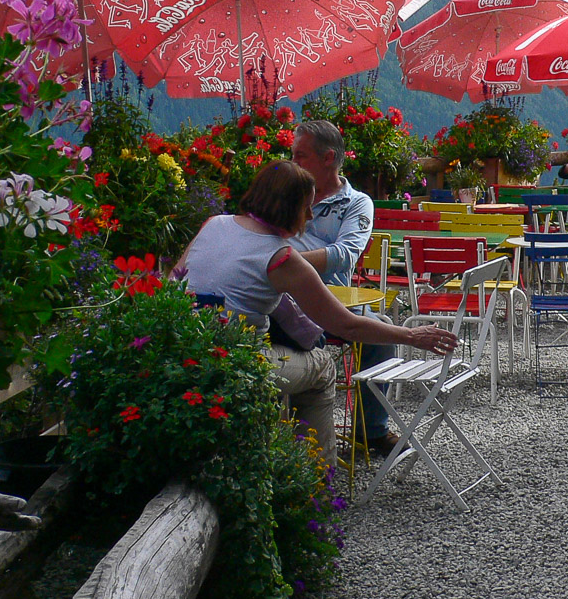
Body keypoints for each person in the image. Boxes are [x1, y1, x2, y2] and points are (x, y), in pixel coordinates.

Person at [184, 160, 458, 458]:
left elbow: (176, 279)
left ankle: (281, 450)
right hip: (241, 362)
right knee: (322, 366)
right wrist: (412, 335)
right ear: (291, 208)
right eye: (307, 207)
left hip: (188, 350)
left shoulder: (213, 224)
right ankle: (314, 477)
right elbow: (346, 325)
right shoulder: (282, 257)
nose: (311, 215)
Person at [287, 120, 399, 455]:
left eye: (301, 156)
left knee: (382, 330)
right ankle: (297, 433)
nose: (293, 163)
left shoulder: (356, 203)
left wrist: (286, 261)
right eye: (292, 155)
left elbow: (346, 254)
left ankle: (370, 430)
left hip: (335, 302)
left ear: (328, 158)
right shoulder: (287, 191)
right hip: (285, 300)